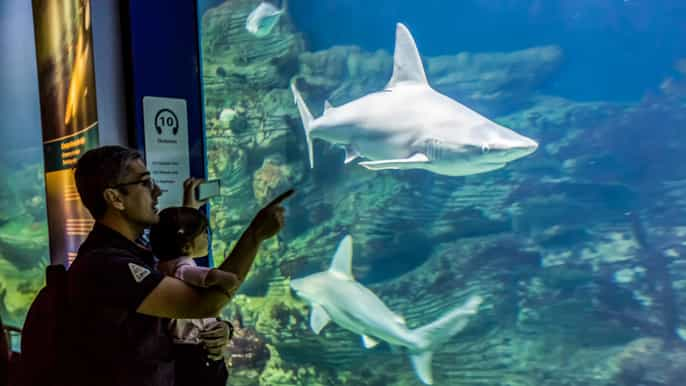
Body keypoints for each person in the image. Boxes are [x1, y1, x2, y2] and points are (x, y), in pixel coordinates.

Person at [66, 145, 292, 386]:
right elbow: (202, 303)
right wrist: (254, 235)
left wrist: (218, 330)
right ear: (115, 198)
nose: (158, 191)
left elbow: (178, 302)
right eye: (145, 183)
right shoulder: (108, 265)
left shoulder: (136, 252)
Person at [150, 206, 238, 386]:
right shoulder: (183, 266)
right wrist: (226, 277)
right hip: (193, 345)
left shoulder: (162, 265)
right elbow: (203, 277)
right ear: (187, 245)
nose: (208, 237)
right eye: (204, 233)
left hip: (181, 345)